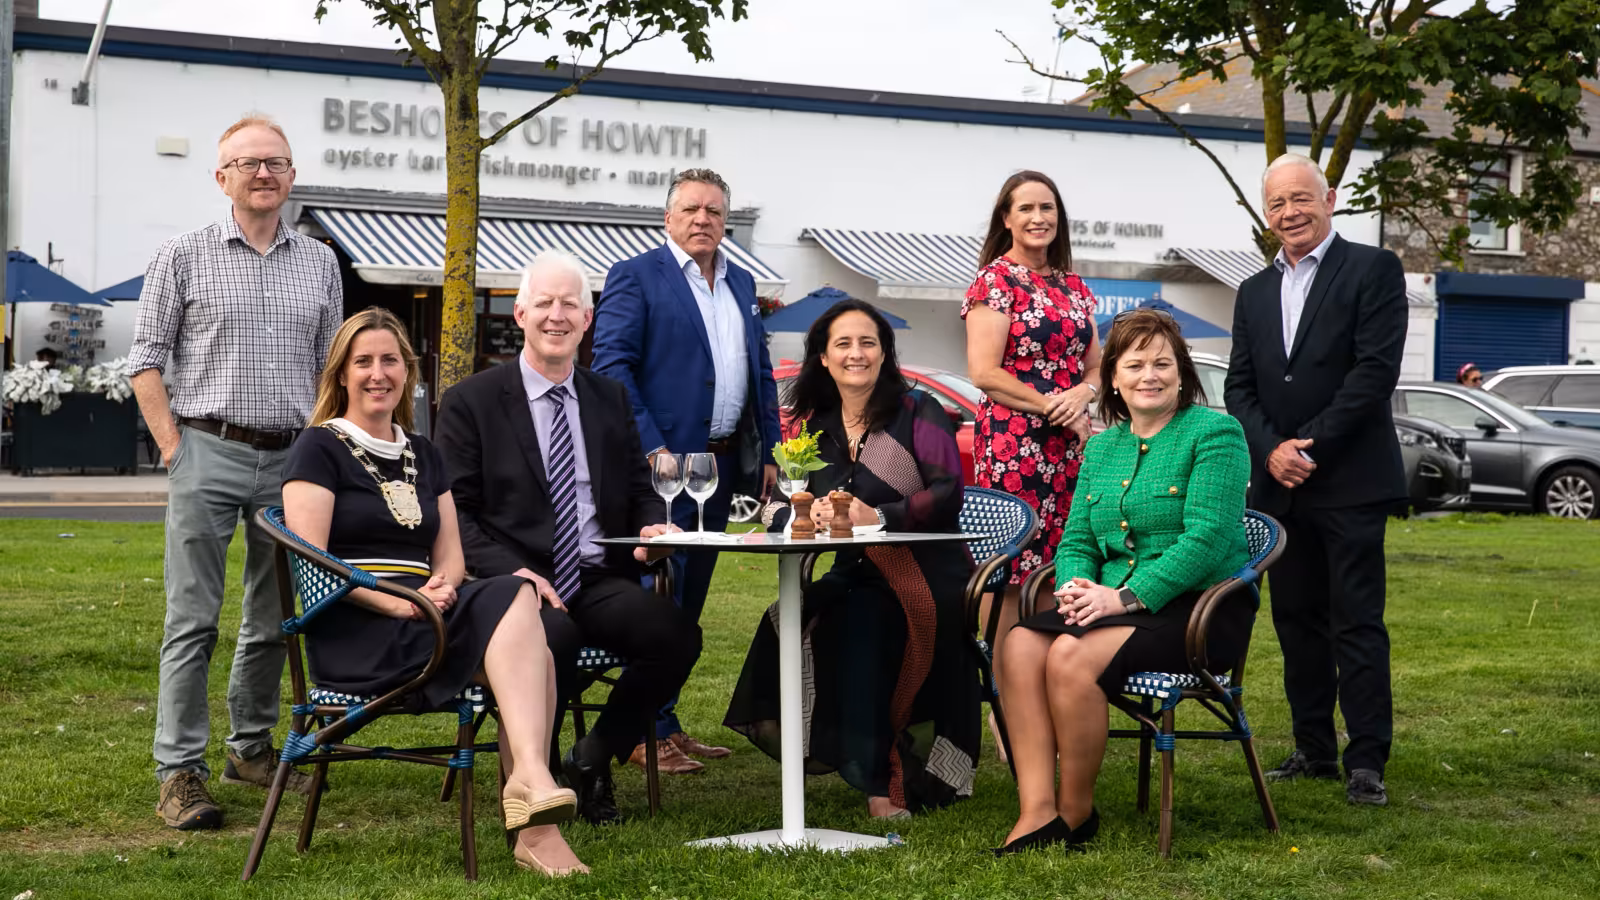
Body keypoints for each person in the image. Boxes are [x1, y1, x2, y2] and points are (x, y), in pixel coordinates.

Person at [280, 308, 586, 877]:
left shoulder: (423, 451)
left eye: (390, 360)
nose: (378, 373)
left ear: (408, 372)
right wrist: (398, 600)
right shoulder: (318, 448)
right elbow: (314, 568)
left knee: (518, 602)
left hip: (427, 617)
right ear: (341, 374)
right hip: (358, 627)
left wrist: (438, 588)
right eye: (363, 361)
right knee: (526, 627)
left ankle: (532, 798)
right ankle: (535, 801)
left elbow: (449, 555)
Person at [435, 249, 701, 827]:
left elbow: (638, 487)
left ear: (588, 320)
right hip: (516, 583)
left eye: (571, 305)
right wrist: (512, 574)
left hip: (595, 573)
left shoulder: (609, 397)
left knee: (676, 634)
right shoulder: (471, 401)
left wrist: (652, 523)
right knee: (549, 641)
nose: (557, 316)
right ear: (521, 313)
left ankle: (591, 757)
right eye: (545, 304)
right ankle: (539, 778)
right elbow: (458, 513)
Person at [129, 115, 343, 831]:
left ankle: (249, 747)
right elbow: (145, 359)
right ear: (221, 177)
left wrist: (320, 450)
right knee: (192, 619)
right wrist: (172, 445)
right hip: (206, 448)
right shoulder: (183, 255)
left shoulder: (319, 261)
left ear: (290, 177)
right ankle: (179, 772)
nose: (262, 173)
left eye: (275, 163)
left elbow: (328, 370)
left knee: (274, 617)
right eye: (247, 163)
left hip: (291, 459)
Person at [995, 308, 1250, 854]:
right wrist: (1075, 587)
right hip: (1109, 600)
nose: (1149, 375)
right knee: (1018, 645)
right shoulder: (1103, 446)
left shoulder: (1216, 432)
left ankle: (1076, 812)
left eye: (1162, 363)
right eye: (1135, 365)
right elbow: (1079, 540)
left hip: (1197, 609)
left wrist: (1124, 597)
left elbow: (1205, 542)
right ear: (1113, 377)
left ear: (1182, 372)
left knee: (1067, 657)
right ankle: (1036, 810)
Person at [724, 299, 980, 818]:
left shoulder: (918, 413)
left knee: (862, 622)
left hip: (927, 575)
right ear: (822, 356)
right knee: (788, 616)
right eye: (843, 343)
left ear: (885, 352)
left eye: (868, 342)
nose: (856, 353)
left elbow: (948, 491)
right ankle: (829, 747)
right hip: (853, 572)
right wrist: (805, 511)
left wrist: (879, 515)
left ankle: (881, 784)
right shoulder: (814, 426)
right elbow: (775, 503)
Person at [1224, 153, 1407, 807]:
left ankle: (1366, 762)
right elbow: (1238, 385)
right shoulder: (1252, 291)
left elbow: (1374, 372)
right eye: (1276, 204)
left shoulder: (1374, 269)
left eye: (1301, 198)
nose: (1290, 213)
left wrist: (1310, 446)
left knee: (1356, 622)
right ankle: (1313, 749)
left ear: (1329, 198)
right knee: (1296, 620)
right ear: (1264, 212)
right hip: (1279, 488)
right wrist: (1272, 451)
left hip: (1350, 480)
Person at [591, 167, 781, 773]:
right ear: (667, 218)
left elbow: (760, 374)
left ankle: (663, 719)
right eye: (691, 209)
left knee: (690, 600)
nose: (703, 220)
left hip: (722, 467)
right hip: (663, 471)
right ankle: (639, 730)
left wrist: (771, 449)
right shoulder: (636, 277)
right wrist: (650, 445)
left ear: (726, 221)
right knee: (656, 597)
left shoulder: (742, 282)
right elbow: (611, 366)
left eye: (715, 211)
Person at [961, 169, 1102, 757]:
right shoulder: (994, 281)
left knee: (1059, 557)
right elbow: (985, 373)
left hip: (1070, 446)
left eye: (1048, 207)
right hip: (1016, 441)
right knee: (1010, 566)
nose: (1039, 217)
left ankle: (1042, 680)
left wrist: (1085, 396)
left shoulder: (1073, 285)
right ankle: (1001, 700)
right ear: (1006, 219)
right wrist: (1053, 406)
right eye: (1027, 209)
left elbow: (1097, 364)